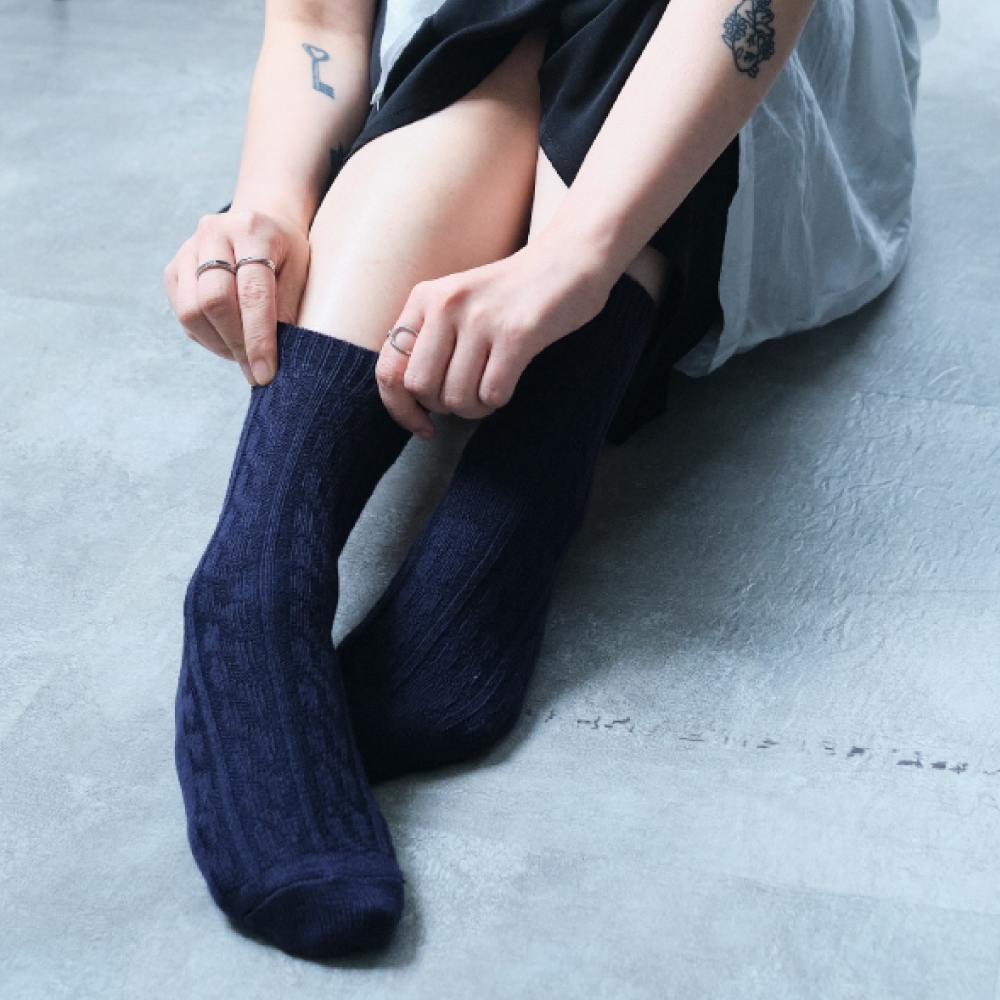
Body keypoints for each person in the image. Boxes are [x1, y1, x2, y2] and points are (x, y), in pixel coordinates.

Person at [164, 0, 934, 960]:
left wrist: (573, 261)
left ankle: (505, 508)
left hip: (753, 67)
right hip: (481, 65)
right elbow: (319, 23)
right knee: (514, 23)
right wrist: (273, 200)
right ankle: (258, 573)